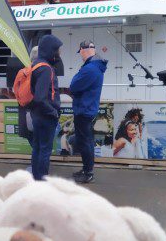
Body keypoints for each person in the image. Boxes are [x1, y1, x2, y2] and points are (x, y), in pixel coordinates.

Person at [69, 40, 107, 184]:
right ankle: (86, 170)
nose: (80, 56)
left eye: (80, 52)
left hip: (84, 110)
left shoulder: (90, 68)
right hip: (87, 108)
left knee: (85, 142)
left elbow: (73, 86)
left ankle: (88, 173)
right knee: (86, 141)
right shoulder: (94, 66)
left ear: (84, 50)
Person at [29, 35, 62, 180]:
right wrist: (53, 112)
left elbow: (34, 92)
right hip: (45, 116)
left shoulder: (36, 65)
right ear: (50, 50)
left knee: (37, 148)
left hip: (37, 115)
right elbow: (40, 97)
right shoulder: (46, 69)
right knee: (45, 150)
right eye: (57, 50)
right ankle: (42, 182)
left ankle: (36, 179)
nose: (59, 54)